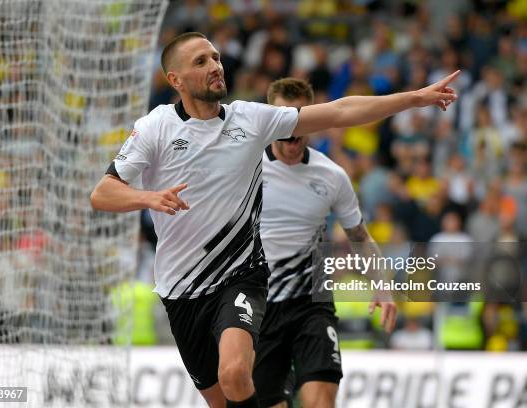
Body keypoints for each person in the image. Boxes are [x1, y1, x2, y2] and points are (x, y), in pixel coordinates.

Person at [90, 31, 459, 408]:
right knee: (225, 400)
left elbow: (340, 111)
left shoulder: (251, 120)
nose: (215, 66)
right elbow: (102, 193)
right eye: (201, 61)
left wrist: (415, 98)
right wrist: (147, 197)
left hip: (244, 277)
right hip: (180, 291)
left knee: (235, 373)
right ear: (176, 80)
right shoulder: (156, 127)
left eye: (215, 57)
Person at [253, 78, 397, 408]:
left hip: (311, 304)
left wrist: (382, 286)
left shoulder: (331, 175)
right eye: (283, 117)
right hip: (261, 308)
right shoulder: (246, 168)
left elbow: (360, 236)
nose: (292, 127)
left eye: (301, 116)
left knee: (321, 402)